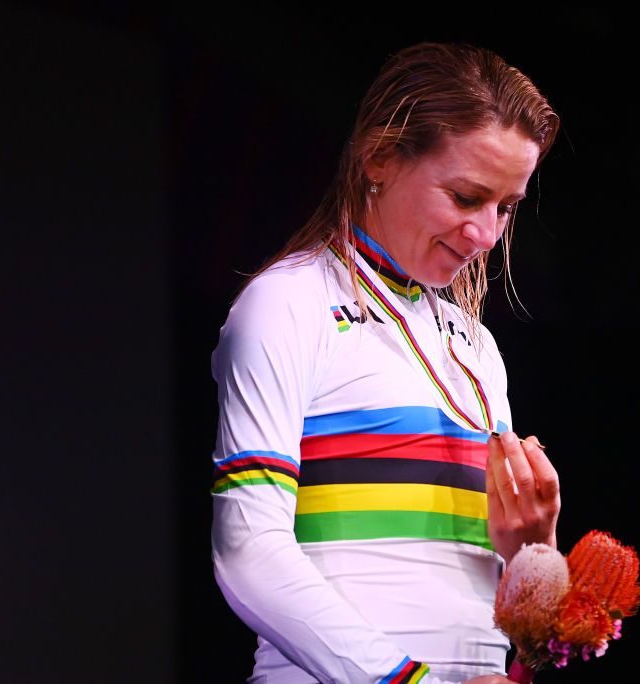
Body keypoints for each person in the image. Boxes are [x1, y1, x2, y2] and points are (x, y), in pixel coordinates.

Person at [210, 42, 562, 683]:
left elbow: (506, 617)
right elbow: (247, 551)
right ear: (378, 158)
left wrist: (534, 552)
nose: (486, 234)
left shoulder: (477, 348)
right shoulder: (288, 303)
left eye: (506, 207)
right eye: (465, 197)